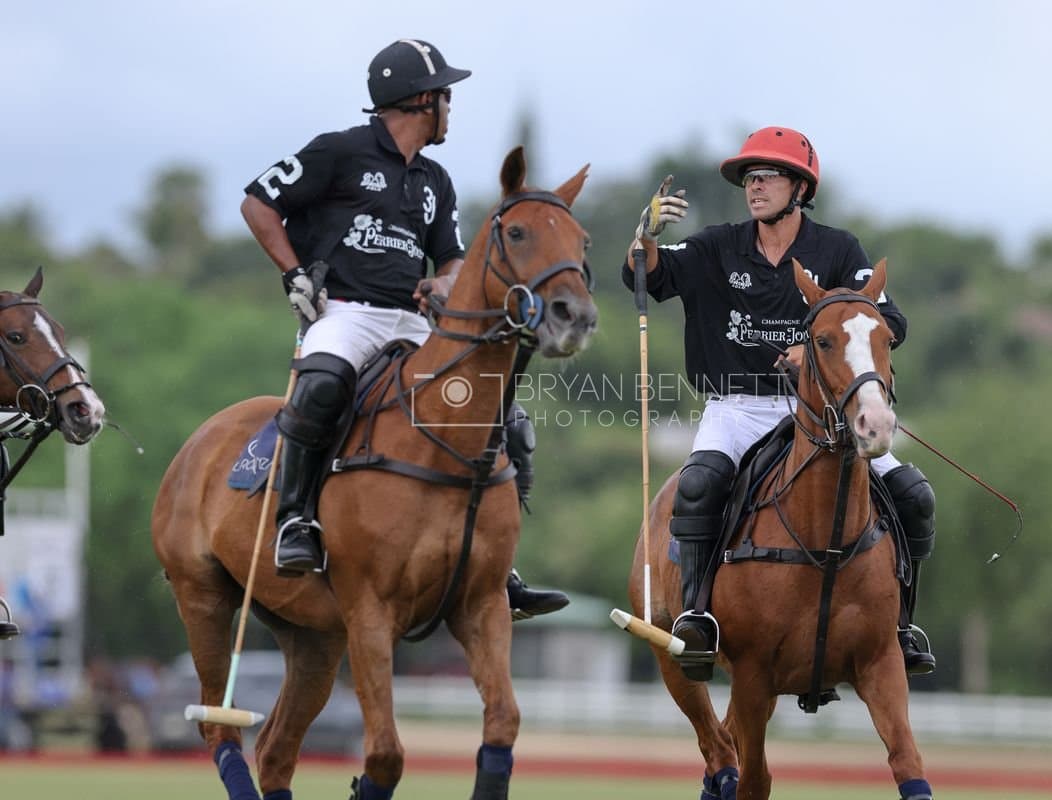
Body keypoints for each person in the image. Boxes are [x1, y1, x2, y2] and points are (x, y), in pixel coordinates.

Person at [241, 38, 568, 618]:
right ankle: (294, 522)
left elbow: (449, 258)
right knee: (320, 387)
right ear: (421, 100)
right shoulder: (338, 152)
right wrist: (293, 273)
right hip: (344, 310)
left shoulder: (436, 181)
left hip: (415, 321)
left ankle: (498, 561)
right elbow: (258, 203)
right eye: (446, 95)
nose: (450, 107)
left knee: (508, 419)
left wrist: (447, 282)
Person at [621, 126, 937, 680]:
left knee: (913, 495)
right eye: (750, 177)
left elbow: (889, 320)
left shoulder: (838, 251)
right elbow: (648, 275)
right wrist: (643, 237)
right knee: (698, 486)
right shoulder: (717, 245)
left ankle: (900, 625)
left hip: (820, 414)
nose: (755, 186)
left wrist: (813, 352)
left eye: (767, 176)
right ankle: (697, 616)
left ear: (800, 188)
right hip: (736, 409)